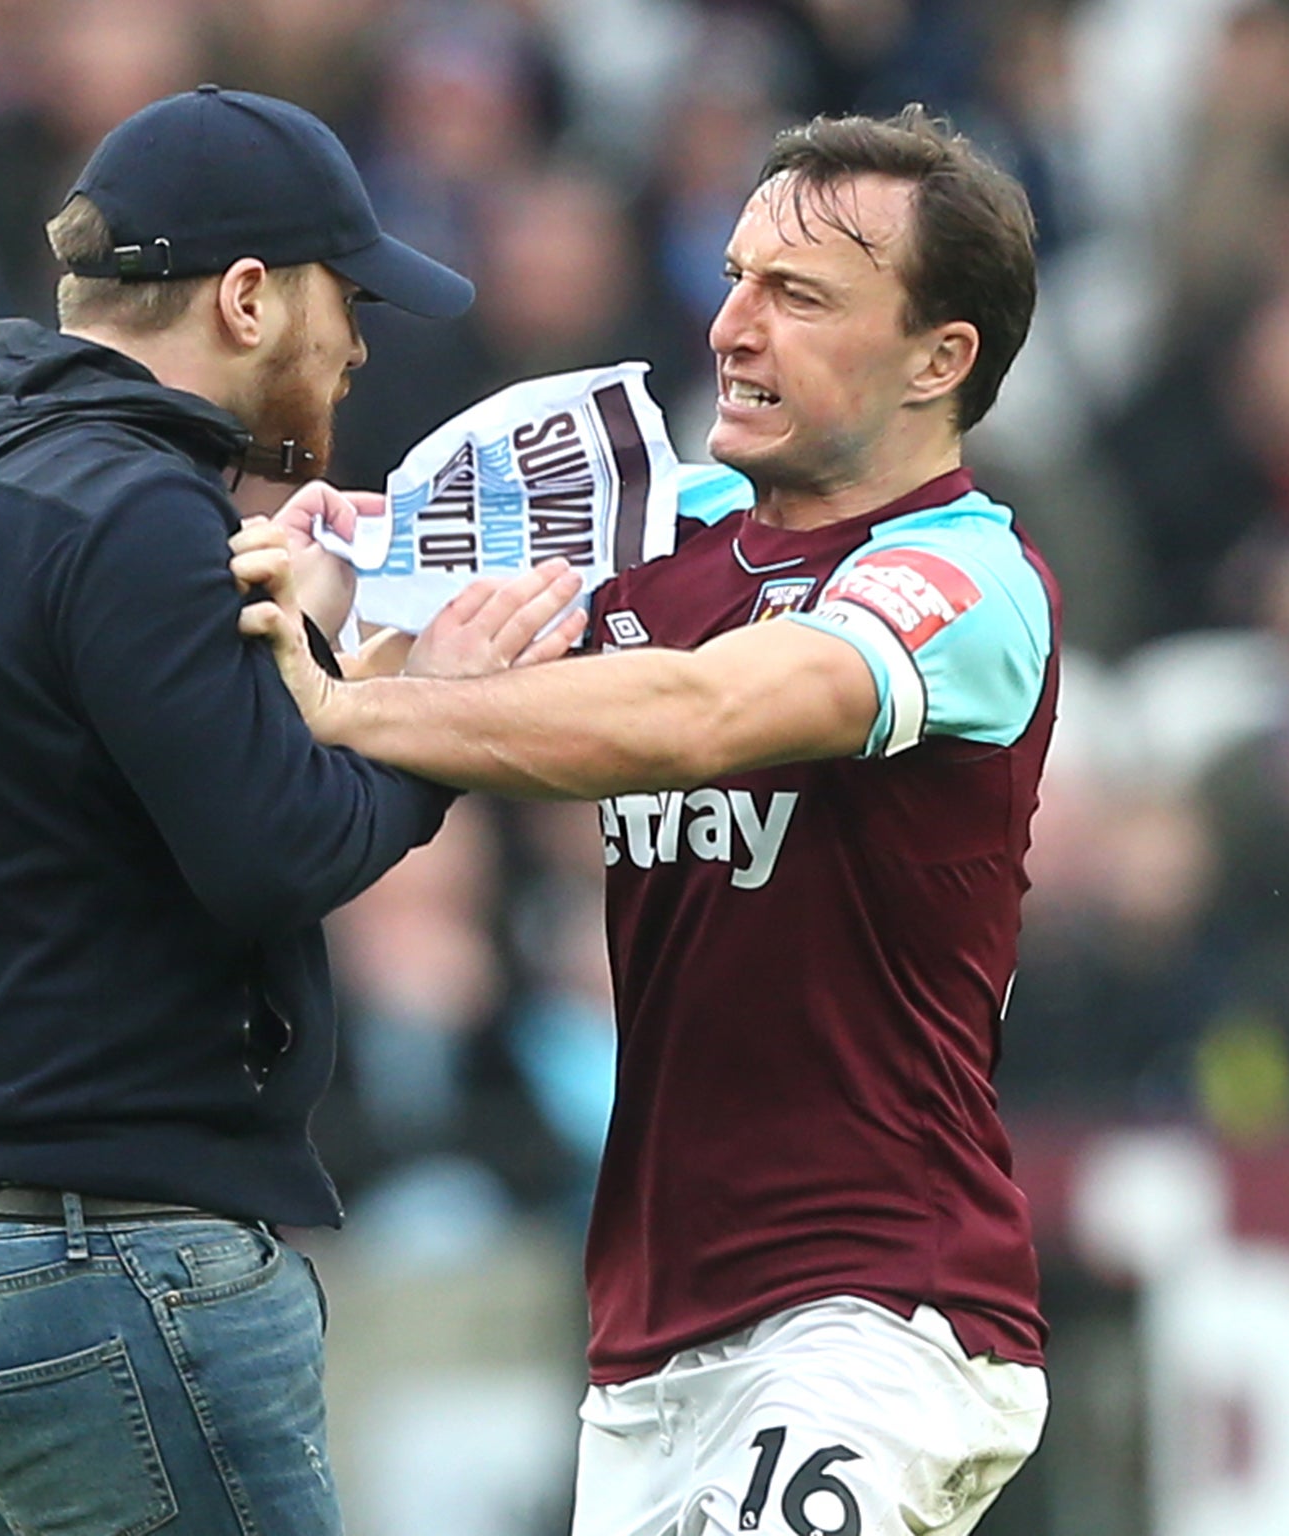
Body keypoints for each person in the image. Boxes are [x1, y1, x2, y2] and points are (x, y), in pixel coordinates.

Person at [233, 107, 1057, 1536]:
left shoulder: (967, 582)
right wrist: (304, 579)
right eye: (737, 275)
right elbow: (319, 567)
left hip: (880, 1313)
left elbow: (703, 716)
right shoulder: (648, 526)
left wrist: (354, 707)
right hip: (648, 1346)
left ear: (942, 359)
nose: (735, 325)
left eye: (800, 296)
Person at [0, 85, 576, 1536]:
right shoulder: (135, 508)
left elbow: (114, 810)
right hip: (109, 1249)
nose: (359, 344)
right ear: (247, 297)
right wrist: (440, 707)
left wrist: (320, 668)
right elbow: (278, 849)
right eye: (343, 297)